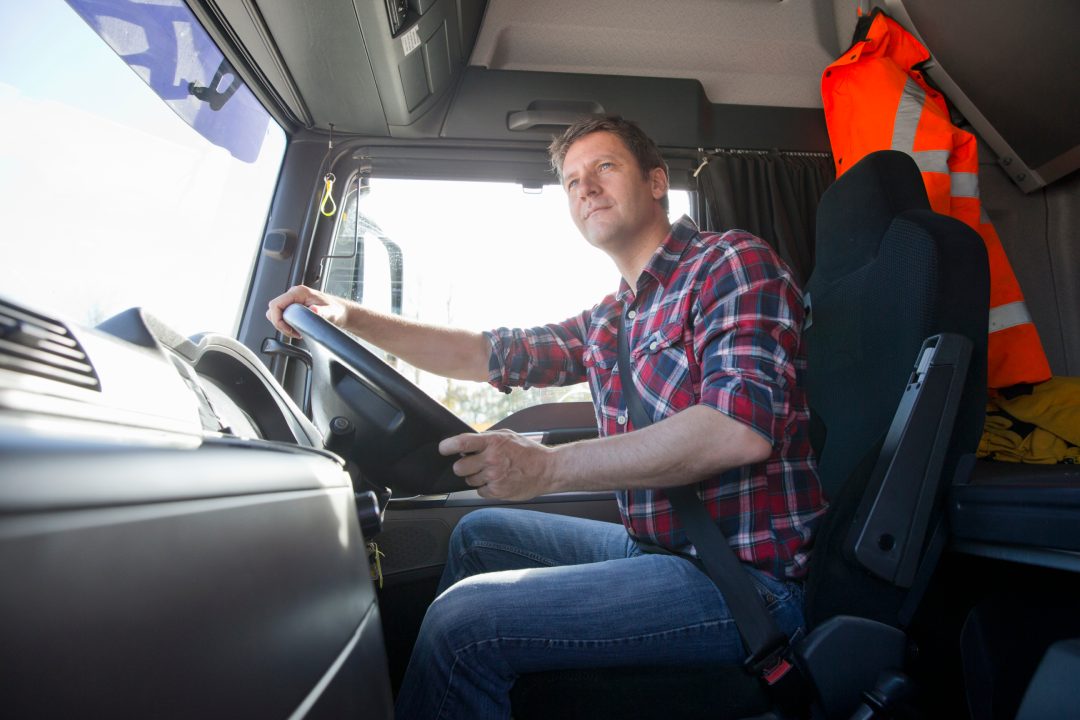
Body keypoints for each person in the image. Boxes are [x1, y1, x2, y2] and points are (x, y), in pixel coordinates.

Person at [267, 116, 827, 719]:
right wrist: (349, 317)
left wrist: (547, 469)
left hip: (745, 584)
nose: (585, 188)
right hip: (658, 555)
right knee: (480, 535)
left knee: (466, 623)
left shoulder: (732, 263)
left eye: (604, 167)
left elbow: (734, 430)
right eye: (571, 181)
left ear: (658, 181)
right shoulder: (614, 316)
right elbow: (487, 353)